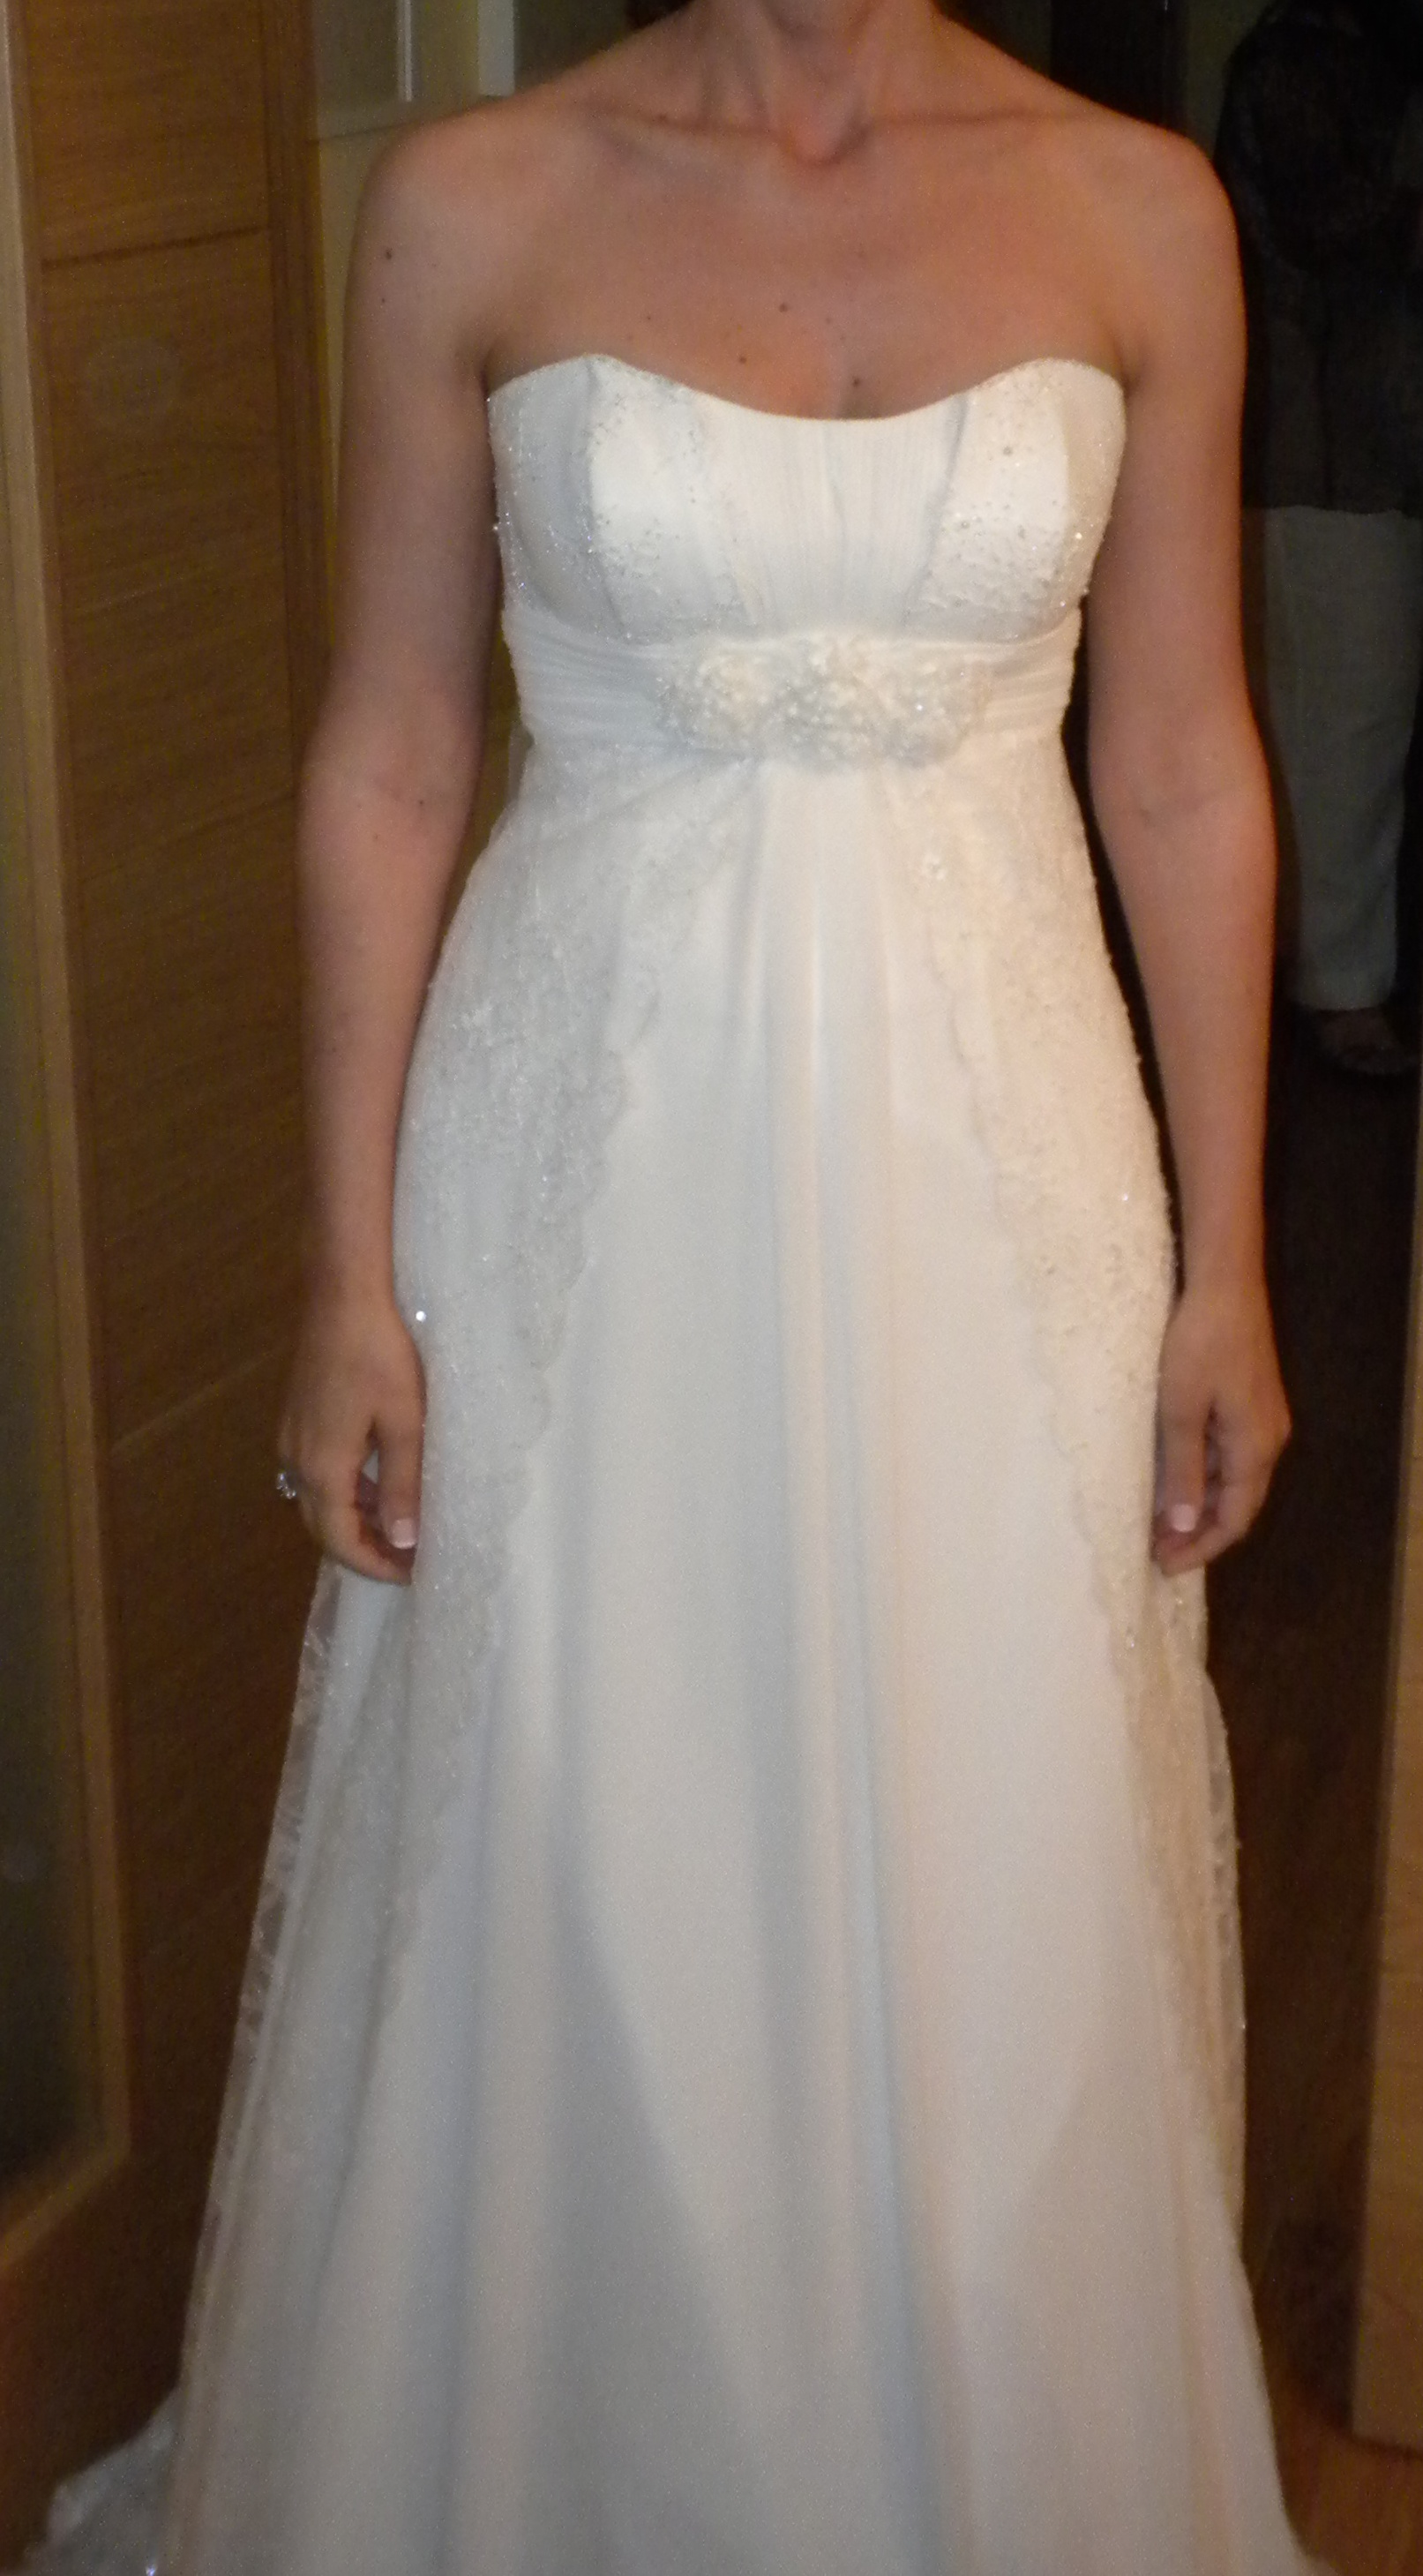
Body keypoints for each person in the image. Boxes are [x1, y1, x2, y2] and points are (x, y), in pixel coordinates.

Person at [155, 0, 1311, 2565]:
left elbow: (1182, 761)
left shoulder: (1139, 208)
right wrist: (344, 1264)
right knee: (585, 1843)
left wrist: (1227, 1261)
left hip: (998, 1177)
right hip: (584, 1179)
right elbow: (390, 751)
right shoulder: (475, 200)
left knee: (1006, 1873)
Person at [1217, 0, 1423, 1078]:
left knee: (1344, 721)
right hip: (1316, 454)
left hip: (1351, 452)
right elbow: (1333, 223)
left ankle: (1316, 977)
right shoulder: (1295, 59)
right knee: (1340, 719)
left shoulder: (1358, 53)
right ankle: (1330, 989)